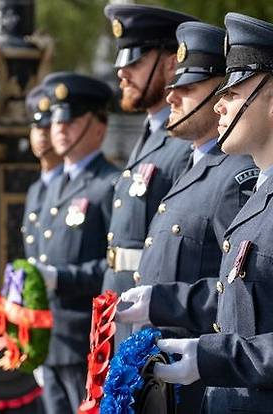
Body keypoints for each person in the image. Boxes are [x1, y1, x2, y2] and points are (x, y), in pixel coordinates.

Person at [119, 13, 273, 413]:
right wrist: (161, 301)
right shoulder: (269, 191)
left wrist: (212, 357)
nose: (219, 104)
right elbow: (241, 300)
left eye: (233, 92)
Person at [131, 21, 258, 412]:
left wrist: (163, 302)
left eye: (188, 89)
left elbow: (241, 293)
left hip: (199, 378)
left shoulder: (235, 175)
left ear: (221, 95)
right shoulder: (191, 165)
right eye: (173, 87)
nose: (172, 98)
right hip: (165, 371)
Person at [101, 3, 196, 344]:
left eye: (135, 62)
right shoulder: (150, 134)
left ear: (172, 63)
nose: (122, 73)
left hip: (154, 322)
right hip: (122, 312)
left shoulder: (186, 143)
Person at [34, 72, 119, 414]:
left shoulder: (109, 184)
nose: (60, 128)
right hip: (50, 338)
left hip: (87, 341)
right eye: (56, 121)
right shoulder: (54, 185)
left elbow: (115, 266)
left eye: (71, 121)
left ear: (99, 127)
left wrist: (60, 277)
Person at [22, 77, 63, 267]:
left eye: (48, 128)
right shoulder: (36, 189)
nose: (41, 135)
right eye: (37, 127)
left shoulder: (70, 184)